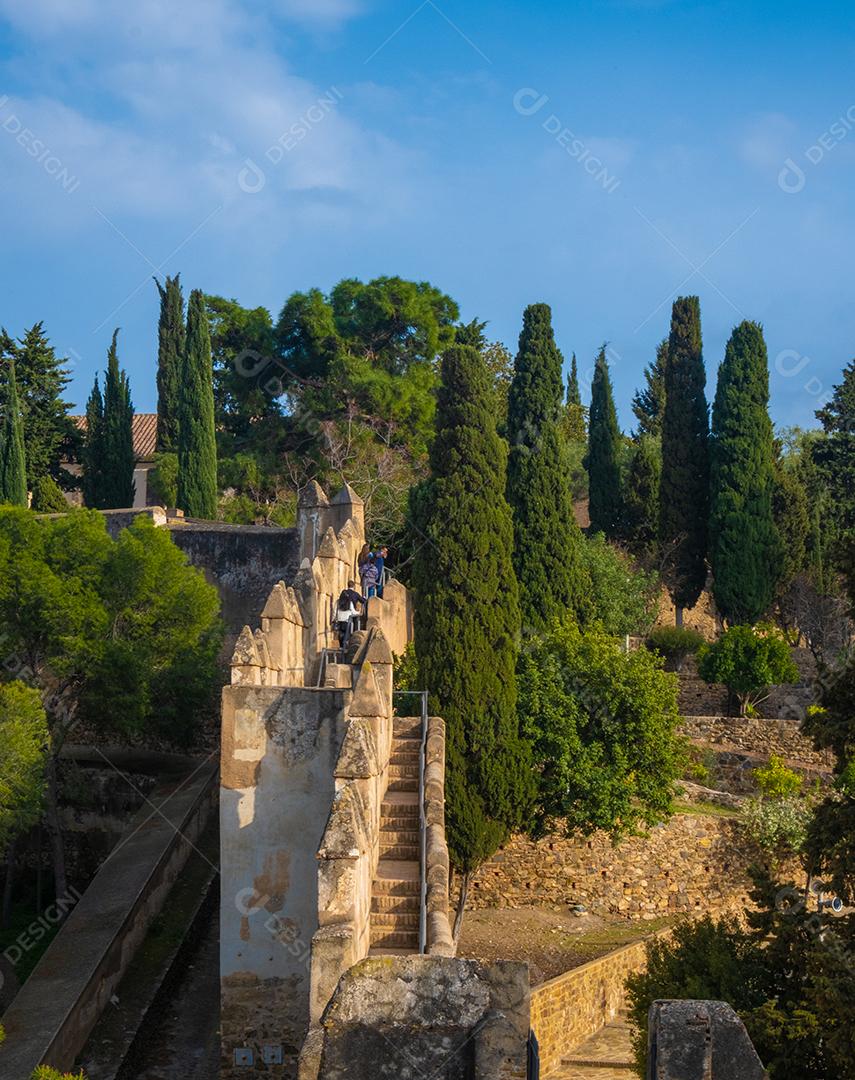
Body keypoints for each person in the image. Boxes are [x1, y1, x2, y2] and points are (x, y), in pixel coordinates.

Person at [335, 581, 365, 649]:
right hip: (347, 618)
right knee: (347, 633)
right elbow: (353, 611)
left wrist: (334, 619)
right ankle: (346, 646)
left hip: (339, 618)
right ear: (354, 586)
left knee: (341, 632)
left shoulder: (339, 600)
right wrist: (359, 613)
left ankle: (341, 646)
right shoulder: (352, 598)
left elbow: (335, 610)